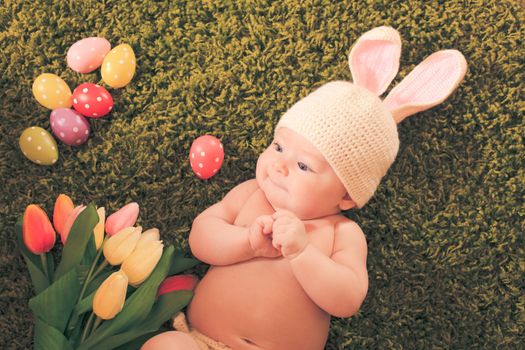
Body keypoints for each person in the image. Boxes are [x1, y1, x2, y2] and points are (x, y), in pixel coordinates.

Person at [142, 26, 467, 350]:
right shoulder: (251, 194)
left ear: (346, 196)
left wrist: (302, 253)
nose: (279, 165)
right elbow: (200, 238)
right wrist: (247, 243)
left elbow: (347, 299)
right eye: (279, 146)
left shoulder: (341, 234)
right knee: (166, 345)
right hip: (201, 341)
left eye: (303, 166)